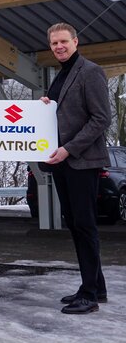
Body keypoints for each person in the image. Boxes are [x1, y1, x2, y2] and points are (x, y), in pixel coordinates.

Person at [41, 22, 111, 315]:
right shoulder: (61, 75)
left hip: (81, 161)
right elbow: (64, 114)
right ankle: (95, 287)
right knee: (76, 224)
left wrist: (69, 148)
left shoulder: (90, 72)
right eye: (54, 43)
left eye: (63, 41)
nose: (59, 47)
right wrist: (46, 106)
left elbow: (101, 118)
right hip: (61, 162)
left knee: (84, 225)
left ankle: (90, 296)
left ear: (75, 41)